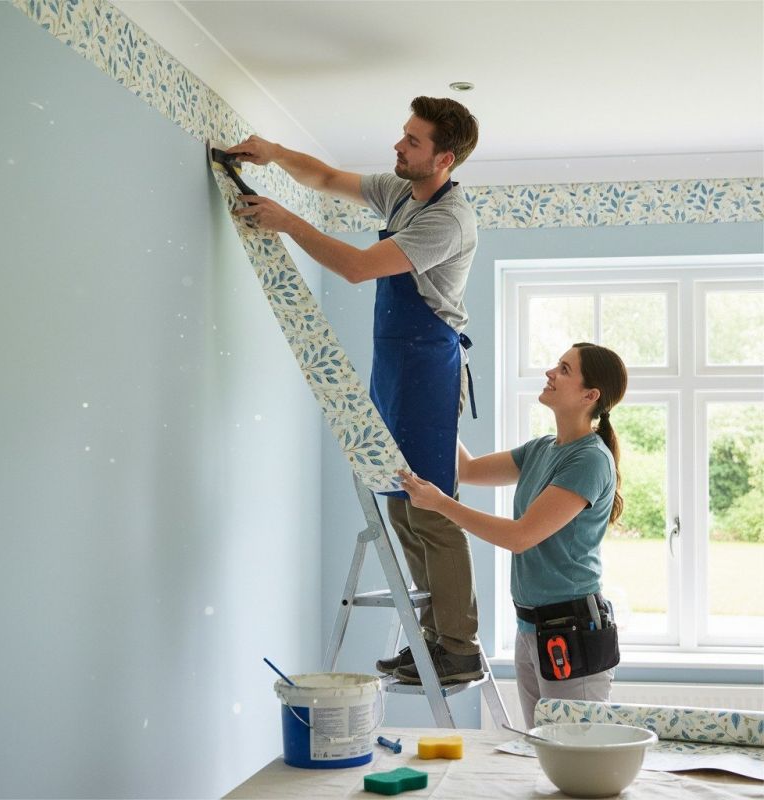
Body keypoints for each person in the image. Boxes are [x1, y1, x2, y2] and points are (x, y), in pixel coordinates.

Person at [226, 97, 485, 684]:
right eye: (403, 135)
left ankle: (459, 647)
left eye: (412, 142)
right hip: (394, 364)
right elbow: (323, 177)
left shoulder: (448, 219)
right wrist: (272, 152)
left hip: (427, 366)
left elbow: (359, 268)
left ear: (443, 159)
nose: (398, 146)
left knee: (433, 508)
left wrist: (288, 223)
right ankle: (432, 636)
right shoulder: (400, 192)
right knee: (399, 504)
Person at [399, 343, 628, 725]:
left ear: (590, 396)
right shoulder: (542, 449)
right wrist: (432, 405)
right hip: (530, 629)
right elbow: (469, 470)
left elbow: (520, 536)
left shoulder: (588, 459)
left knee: (575, 759)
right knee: (544, 752)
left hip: (571, 632)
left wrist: (440, 503)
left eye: (565, 369)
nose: (550, 373)